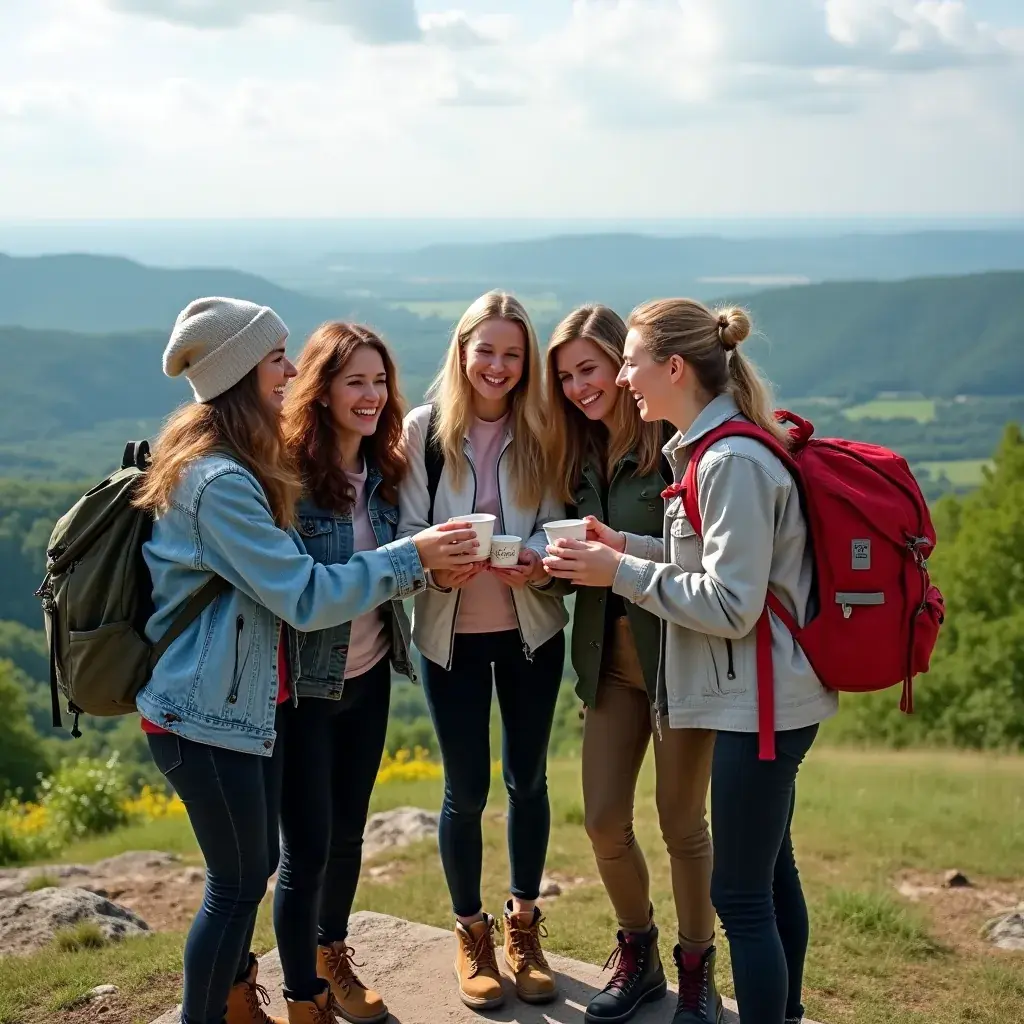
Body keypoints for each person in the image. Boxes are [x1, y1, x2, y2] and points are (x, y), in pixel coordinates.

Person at [134, 297, 480, 1024]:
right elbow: (301, 594)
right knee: (237, 884)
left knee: (251, 873)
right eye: (276, 360)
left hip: (236, 706)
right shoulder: (222, 483)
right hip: (204, 714)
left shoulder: (244, 465)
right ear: (239, 374)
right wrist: (409, 559)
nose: (289, 370)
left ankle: (238, 1002)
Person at [542, 298, 838, 1024]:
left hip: (758, 702)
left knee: (743, 895)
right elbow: (697, 564)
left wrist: (618, 575)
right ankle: (787, 1009)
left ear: (674, 367)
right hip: (759, 695)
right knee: (769, 880)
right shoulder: (707, 450)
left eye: (632, 363)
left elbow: (730, 603)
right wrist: (619, 549)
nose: (623, 379)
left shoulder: (729, 461)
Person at [545, 304, 719, 1024]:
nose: (581, 387)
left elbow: (694, 567)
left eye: (590, 368)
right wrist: (543, 567)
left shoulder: (673, 445)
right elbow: (584, 564)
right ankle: (639, 951)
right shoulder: (577, 454)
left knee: (682, 824)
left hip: (680, 669)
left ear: (624, 362)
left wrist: (612, 558)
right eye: (566, 376)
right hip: (610, 670)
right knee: (603, 820)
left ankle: (697, 969)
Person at [397, 290, 569, 1011]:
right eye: (486, 351)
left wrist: (536, 557)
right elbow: (403, 526)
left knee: (526, 781)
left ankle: (523, 925)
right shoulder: (424, 430)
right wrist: (437, 562)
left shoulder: (546, 431)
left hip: (531, 630)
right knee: (464, 791)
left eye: (512, 353)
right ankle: (471, 932)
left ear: (526, 362)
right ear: (462, 352)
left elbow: (562, 524)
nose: (498, 366)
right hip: (452, 636)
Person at [273, 322, 414, 1023]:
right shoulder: (290, 476)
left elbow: (389, 578)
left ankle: (333, 956)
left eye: (379, 380)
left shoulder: (386, 473)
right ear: (320, 388)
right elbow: (298, 593)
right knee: (306, 848)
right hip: (304, 688)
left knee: (351, 832)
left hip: (371, 673)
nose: (370, 395)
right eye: (354, 380)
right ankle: (304, 997)